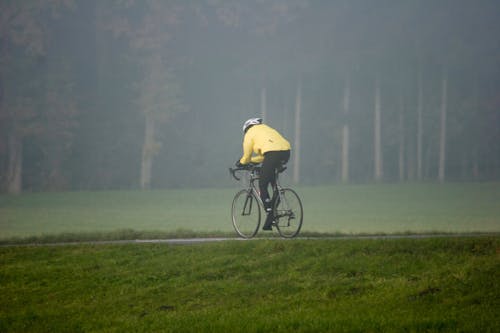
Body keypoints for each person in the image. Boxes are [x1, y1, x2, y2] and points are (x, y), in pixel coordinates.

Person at [236, 117, 291, 230]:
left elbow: (246, 156)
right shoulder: (266, 129)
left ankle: (270, 213)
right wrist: (252, 161)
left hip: (272, 154)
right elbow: (264, 157)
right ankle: (276, 200)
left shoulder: (249, 134)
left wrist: (241, 163)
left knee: (262, 183)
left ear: (246, 128)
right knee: (271, 177)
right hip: (286, 152)